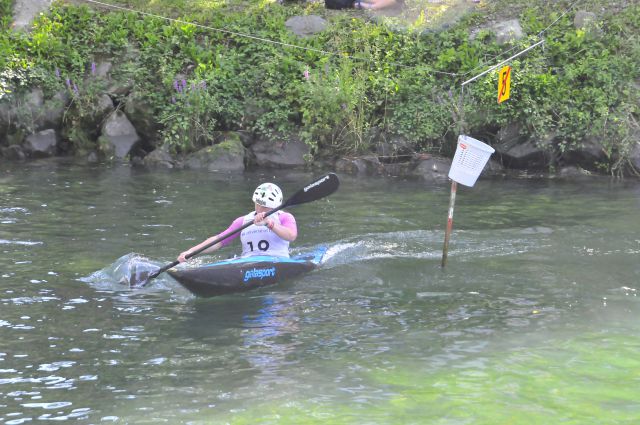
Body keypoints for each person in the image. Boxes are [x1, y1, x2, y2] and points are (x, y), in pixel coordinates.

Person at [177, 183, 297, 262]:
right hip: (248, 262)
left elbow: (291, 236)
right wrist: (191, 251)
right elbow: (219, 241)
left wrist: (269, 223)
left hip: (277, 260)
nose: (260, 209)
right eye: (258, 204)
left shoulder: (284, 217)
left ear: (274, 206)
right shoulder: (243, 221)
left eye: (265, 206)